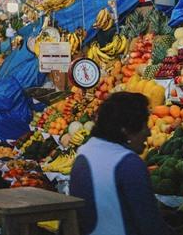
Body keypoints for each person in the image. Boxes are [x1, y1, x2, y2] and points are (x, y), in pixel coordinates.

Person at [70, 92, 172, 235]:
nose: (148, 133)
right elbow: (151, 226)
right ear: (126, 130)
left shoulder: (84, 152)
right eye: (144, 125)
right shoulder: (129, 164)